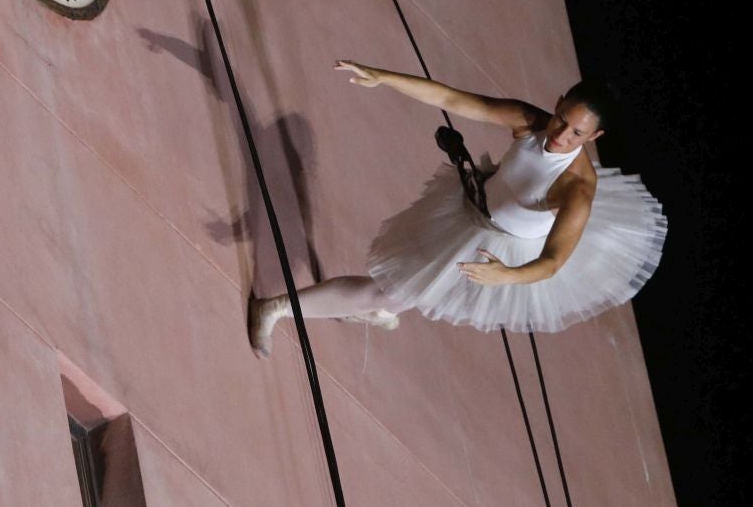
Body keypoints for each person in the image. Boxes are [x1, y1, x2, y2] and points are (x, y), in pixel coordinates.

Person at [247, 63, 666, 355]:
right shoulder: (529, 120)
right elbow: (452, 97)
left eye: (576, 133)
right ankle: (303, 308)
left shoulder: (576, 189)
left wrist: (508, 274)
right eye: (560, 119)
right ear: (556, 104)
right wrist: (383, 77)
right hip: (472, 207)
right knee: (396, 292)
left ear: (596, 136)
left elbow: (554, 261)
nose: (560, 135)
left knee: (393, 292)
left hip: (494, 246)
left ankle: (287, 307)